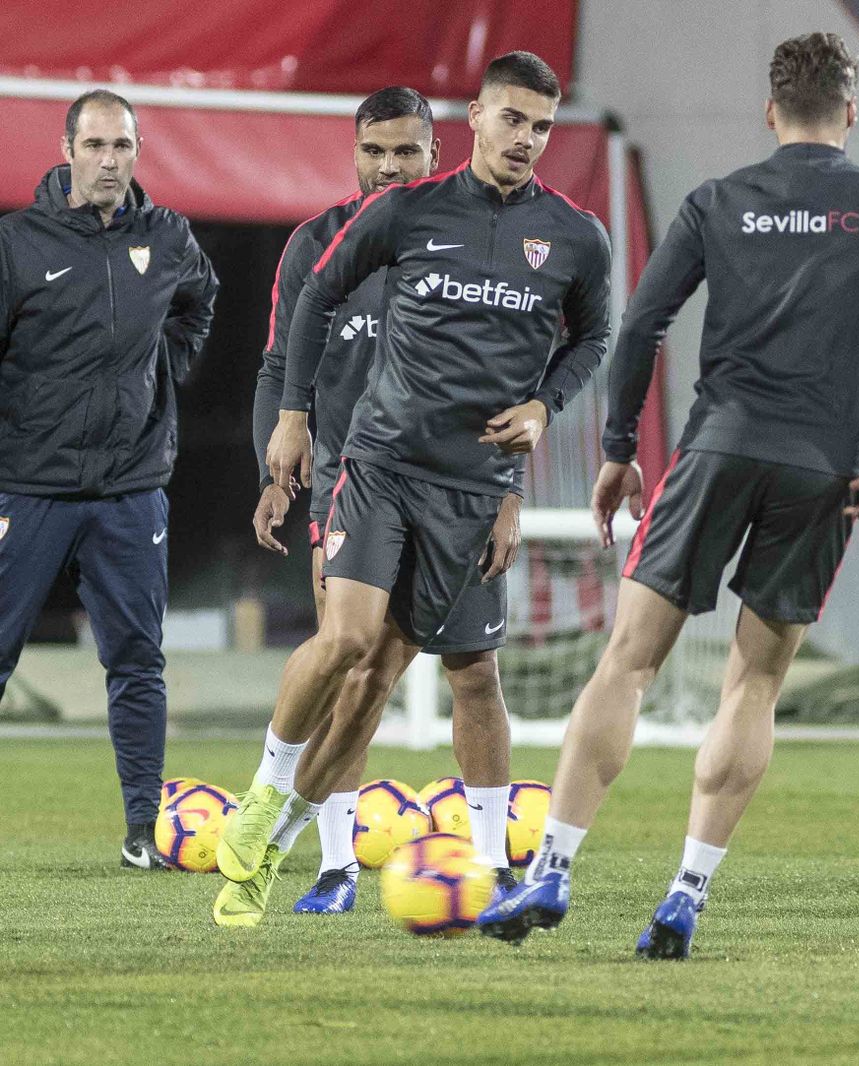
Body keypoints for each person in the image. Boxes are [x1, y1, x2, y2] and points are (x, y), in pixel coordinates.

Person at [478, 32, 859, 959]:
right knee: (755, 682)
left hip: (717, 447)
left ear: (770, 112)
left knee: (626, 662)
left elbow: (641, 328)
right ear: (851, 114)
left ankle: (554, 867)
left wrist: (620, 449)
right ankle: (685, 892)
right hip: (824, 470)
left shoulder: (719, 201)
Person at [211, 50, 611, 928]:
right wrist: (288, 421)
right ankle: (269, 796)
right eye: (513, 119)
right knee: (346, 641)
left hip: (470, 491)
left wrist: (545, 408)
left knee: (410, 678)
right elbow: (310, 309)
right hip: (376, 465)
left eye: (542, 126)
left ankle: (276, 855)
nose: (527, 139)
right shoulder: (396, 218)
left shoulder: (575, 237)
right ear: (475, 116)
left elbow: (594, 340)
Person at [247, 86, 524, 918]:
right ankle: (334, 867)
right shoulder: (318, 246)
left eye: (406, 151)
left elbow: (510, 383)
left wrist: (508, 493)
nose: (389, 166)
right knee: (351, 664)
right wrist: (277, 473)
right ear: (354, 151)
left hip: (460, 487)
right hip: (350, 488)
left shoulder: (478, 246)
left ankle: (490, 864)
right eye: (375, 150)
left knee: (475, 673)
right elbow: (276, 367)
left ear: (436, 153)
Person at [0, 90, 218, 869]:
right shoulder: (17, 245)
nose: (108, 161)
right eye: (94, 145)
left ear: (137, 151)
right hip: (27, 486)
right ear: (66, 150)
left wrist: (166, 369)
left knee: (136, 660)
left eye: (121, 146)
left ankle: (141, 832)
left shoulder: (166, 237)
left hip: (130, 487)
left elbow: (200, 303)